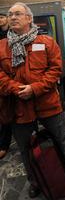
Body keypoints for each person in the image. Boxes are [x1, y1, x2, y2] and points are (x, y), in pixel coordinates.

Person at [0, 3, 65, 198]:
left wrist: (34, 89)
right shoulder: (1, 46)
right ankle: (35, 181)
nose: (12, 17)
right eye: (10, 14)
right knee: (25, 148)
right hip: (18, 106)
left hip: (48, 104)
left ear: (29, 18)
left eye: (17, 14)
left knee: (62, 140)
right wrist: (16, 89)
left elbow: (55, 70)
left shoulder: (46, 42)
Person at [0, 11, 11, 160]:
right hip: (3, 79)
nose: (0, 20)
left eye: (2, 17)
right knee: (4, 115)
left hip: (13, 76)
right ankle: (3, 143)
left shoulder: (13, 33)